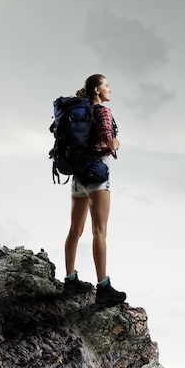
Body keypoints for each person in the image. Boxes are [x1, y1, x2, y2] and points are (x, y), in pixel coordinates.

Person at [62, 73, 126, 309]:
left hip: (78, 176)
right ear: (97, 90)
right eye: (107, 86)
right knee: (99, 231)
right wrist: (115, 145)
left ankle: (70, 280)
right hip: (97, 176)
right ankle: (104, 287)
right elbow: (106, 143)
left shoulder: (80, 112)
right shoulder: (102, 112)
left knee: (75, 230)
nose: (110, 89)